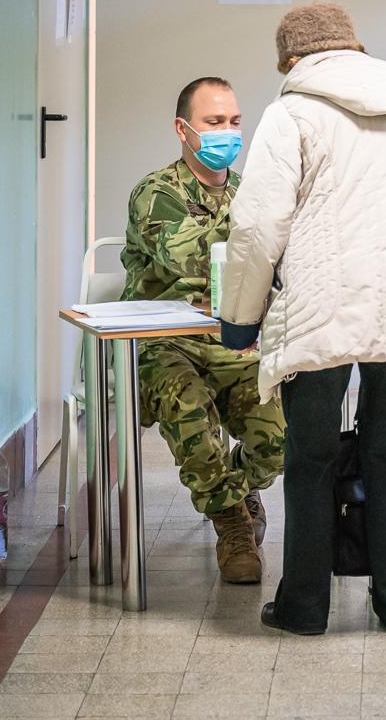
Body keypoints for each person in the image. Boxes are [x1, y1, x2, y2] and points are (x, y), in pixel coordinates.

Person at [219, 2, 386, 636]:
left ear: (291, 58)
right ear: (353, 47)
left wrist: (240, 319)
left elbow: (257, 226)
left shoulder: (290, 113)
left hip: (319, 303)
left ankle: (305, 606)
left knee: (311, 455)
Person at [120, 77, 285, 585]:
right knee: (188, 408)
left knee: (281, 438)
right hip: (164, 345)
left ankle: (236, 485)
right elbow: (187, 257)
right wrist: (260, 235)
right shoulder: (156, 192)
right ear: (183, 129)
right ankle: (231, 520)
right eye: (214, 122)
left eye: (234, 122)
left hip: (233, 343)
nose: (227, 133)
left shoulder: (248, 192)